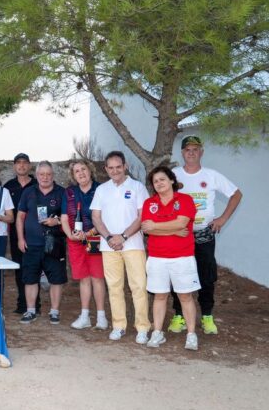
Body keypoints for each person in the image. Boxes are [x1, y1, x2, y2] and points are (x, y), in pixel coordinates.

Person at [169, 136, 242, 335]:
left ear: (201, 152)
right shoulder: (174, 175)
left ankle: (207, 316)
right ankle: (179, 315)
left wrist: (222, 219)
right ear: (182, 153)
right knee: (179, 275)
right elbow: (162, 197)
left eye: (195, 149)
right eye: (187, 149)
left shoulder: (211, 175)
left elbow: (236, 194)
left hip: (204, 235)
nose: (191, 153)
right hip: (179, 235)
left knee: (206, 276)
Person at [90, 151, 151, 344]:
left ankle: (142, 328)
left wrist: (123, 236)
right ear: (106, 169)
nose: (115, 170)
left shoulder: (137, 187)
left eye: (119, 166)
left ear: (125, 166)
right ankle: (119, 326)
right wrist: (109, 237)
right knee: (114, 287)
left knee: (138, 286)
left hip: (133, 245)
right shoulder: (101, 189)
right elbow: (96, 217)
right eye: (111, 167)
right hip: (109, 247)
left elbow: (142, 217)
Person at [141, 166, 201, 350]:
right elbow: (146, 228)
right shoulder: (149, 203)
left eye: (162, 179)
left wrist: (157, 227)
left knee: (185, 296)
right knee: (159, 296)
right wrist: (174, 229)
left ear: (171, 180)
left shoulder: (185, 200)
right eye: (155, 181)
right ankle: (158, 332)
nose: (159, 183)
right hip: (157, 257)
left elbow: (182, 222)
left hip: (182, 257)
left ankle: (191, 334)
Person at [16, 161, 66, 324]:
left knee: (56, 279)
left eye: (48, 174)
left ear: (53, 175)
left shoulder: (62, 193)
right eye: (41, 174)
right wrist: (20, 239)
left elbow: (69, 218)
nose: (45, 177)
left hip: (54, 244)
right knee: (30, 278)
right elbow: (20, 217)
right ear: (36, 175)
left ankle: (55, 311)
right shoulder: (28, 192)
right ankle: (30, 311)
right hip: (31, 244)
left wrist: (56, 222)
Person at [59, 160, 108, 330]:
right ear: (73, 175)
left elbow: (105, 217)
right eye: (77, 171)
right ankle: (85, 315)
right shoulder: (69, 192)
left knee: (98, 278)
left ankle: (101, 317)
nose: (81, 173)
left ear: (90, 170)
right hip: (76, 242)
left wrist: (90, 233)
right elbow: (64, 218)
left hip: (96, 240)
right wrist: (70, 235)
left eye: (83, 169)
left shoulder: (101, 189)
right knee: (84, 279)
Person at [3, 153, 39, 314]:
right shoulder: (8, 187)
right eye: (18, 163)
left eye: (25, 162)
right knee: (20, 268)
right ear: (14, 166)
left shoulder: (38, 184)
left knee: (35, 268)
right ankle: (22, 303)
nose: (22, 166)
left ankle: (35, 305)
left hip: (36, 233)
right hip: (16, 234)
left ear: (29, 165)